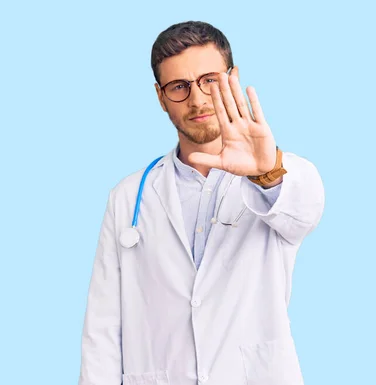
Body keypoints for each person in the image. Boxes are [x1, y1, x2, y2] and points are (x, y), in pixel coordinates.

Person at [78, 21, 325, 385]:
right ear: (161, 98)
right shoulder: (128, 197)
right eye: (179, 87)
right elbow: (102, 328)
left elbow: (303, 212)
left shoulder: (278, 173)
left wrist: (265, 170)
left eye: (210, 79)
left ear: (233, 78)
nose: (197, 99)